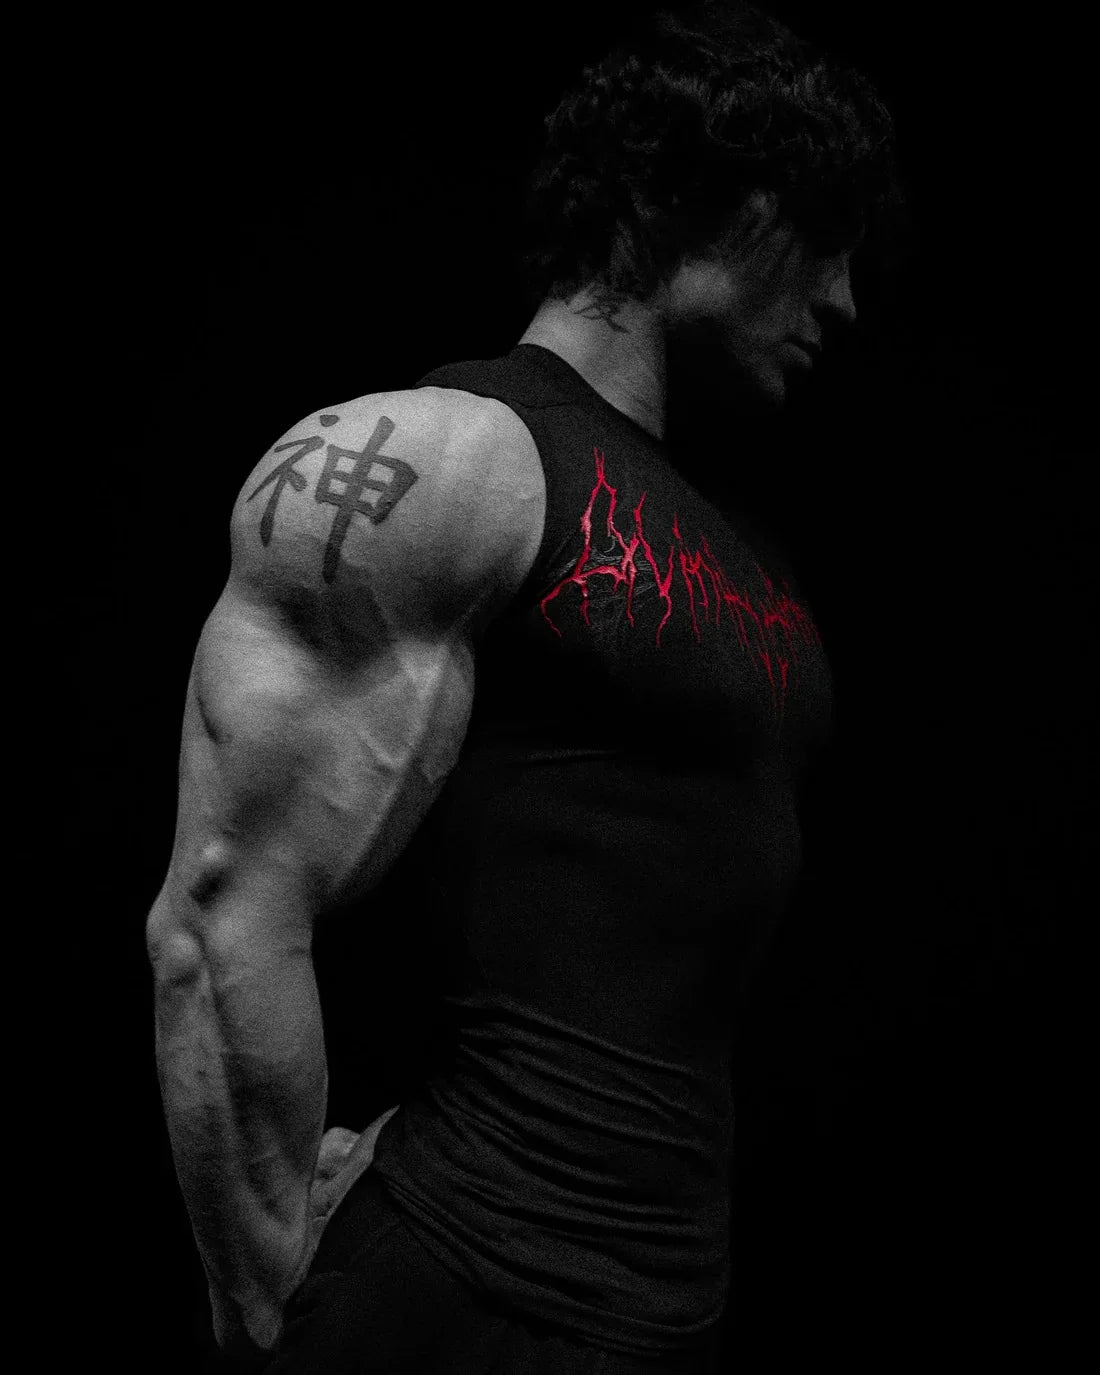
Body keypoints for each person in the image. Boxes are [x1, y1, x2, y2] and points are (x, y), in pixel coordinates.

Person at [145, 3, 908, 1371]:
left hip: (666, 1306)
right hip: (464, 1294)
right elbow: (225, 912)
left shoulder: (743, 536)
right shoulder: (449, 461)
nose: (845, 299)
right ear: (691, 198)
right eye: (823, 230)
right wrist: (262, 1295)